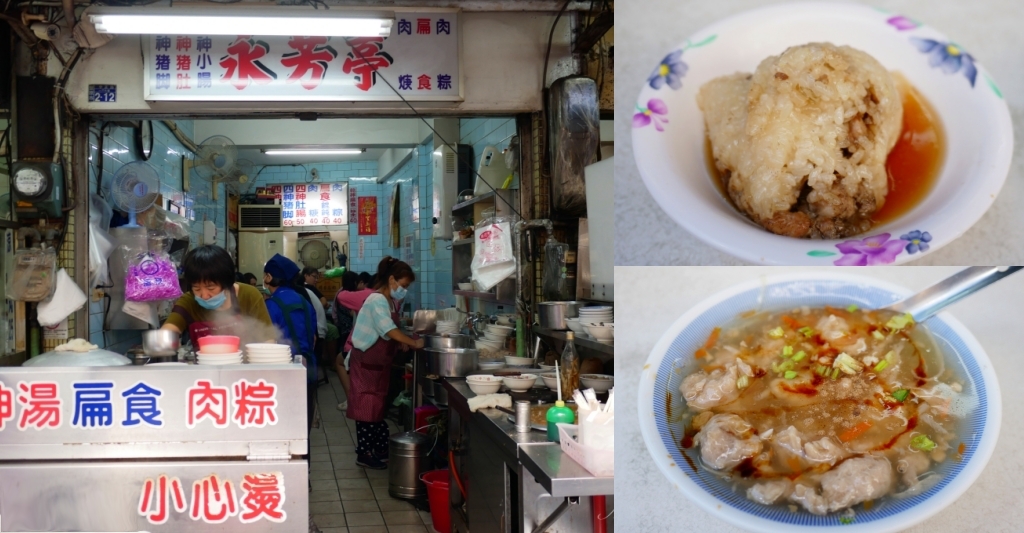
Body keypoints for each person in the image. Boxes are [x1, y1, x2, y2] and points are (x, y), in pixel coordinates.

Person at [347, 256, 423, 469]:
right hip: (366, 363)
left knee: (377, 410)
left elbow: (389, 332)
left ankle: (380, 450)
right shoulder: (377, 300)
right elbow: (387, 329)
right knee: (366, 411)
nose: (404, 290)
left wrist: (402, 343)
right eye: (404, 285)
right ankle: (364, 454)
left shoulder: (390, 301)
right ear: (392, 280)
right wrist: (413, 343)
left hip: (378, 365)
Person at [162, 245, 272, 341]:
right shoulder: (188, 301)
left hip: (244, 364)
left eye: (210, 288)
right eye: (197, 288)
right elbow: (167, 332)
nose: (204, 295)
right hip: (205, 364)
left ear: (227, 282)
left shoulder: (249, 295)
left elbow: (268, 338)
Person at [263, 254, 318, 432]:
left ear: (269, 277)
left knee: (285, 428)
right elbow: (314, 338)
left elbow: (267, 342)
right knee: (304, 427)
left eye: (265, 275)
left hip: (283, 373)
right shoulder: (305, 301)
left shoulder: (271, 305)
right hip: (308, 369)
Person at [333, 271, 374, 411]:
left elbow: (340, 297)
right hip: (360, 342)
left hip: (358, 343)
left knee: (342, 362)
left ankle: (352, 399)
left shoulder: (356, 296)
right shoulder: (380, 297)